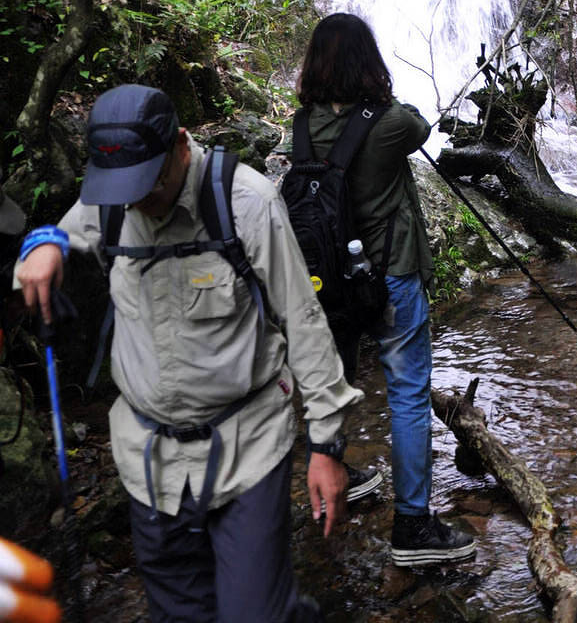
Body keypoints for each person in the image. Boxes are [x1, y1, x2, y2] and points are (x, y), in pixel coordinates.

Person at [15, 83, 363, 623]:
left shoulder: (245, 203)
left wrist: (327, 445)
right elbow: (62, 231)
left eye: (148, 185)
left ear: (180, 145)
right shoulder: (114, 196)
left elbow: (305, 323)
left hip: (246, 447)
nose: (137, 202)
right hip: (148, 457)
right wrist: (41, 246)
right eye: (123, 190)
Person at [297, 12, 476, 567]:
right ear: (366, 62)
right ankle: (413, 525)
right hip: (391, 276)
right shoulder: (390, 122)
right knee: (406, 393)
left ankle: (338, 471)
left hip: (326, 284)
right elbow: (423, 126)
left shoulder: (299, 128)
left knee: (335, 380)